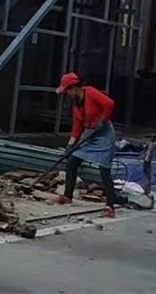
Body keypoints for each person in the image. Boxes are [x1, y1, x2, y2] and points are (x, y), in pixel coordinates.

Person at [54, 72, 117, 218]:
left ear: (74, 87)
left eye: (68, 91)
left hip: (104, 133)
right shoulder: (76, 105)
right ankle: (67, 196)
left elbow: (109, 104)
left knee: (104, 169)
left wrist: (103, 120)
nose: (67, 94)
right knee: (72, 161)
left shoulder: (90, 92)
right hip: (89, 133)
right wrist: (70, 146)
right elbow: (77, 127)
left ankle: (110, 206)